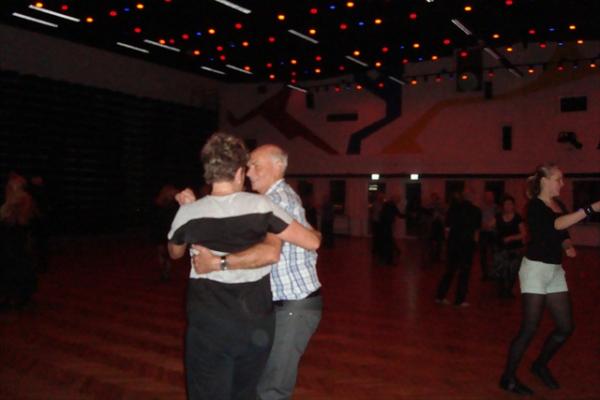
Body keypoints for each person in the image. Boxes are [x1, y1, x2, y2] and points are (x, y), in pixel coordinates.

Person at [167, 133, 321, 400]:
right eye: (246, 168)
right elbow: (311, 241)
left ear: (208, 173)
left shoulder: (191, 212)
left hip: (215, 325)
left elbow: (175, 253)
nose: (248, 173)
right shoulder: (262, 205)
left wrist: (191, 217)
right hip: (255, 323)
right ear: (238, 172)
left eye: (254, 166)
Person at [499, 163, 600, 395]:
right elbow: (554, 224)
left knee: (565, 327)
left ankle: (540, 364)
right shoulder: (534, 206)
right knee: (529, 328)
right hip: (535, 270)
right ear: (544, 181)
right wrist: (591, 208)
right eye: (558, 179)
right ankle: (508, 378)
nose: (562, 184)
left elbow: (561, 232)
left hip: (554, 270)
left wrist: (567, 245)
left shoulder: (558, 204)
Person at [435, 190, 482, 307]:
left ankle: (440, 296)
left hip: (453, 244)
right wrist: (475, 245)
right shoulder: (476, 211)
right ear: (472, 198)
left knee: (449, 271)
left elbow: (447, 229)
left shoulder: (453, 209)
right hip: (467, 244)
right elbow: (476, 231)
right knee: (464, 272)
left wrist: (447, 243)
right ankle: (459, 300)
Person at [0, 172, 38, 310]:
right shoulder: (15, 199)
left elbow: (16, 219)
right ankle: (12, 295)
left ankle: (16, 295)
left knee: (17, 264)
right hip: (13, 238)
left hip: (17, 238)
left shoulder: (23, 199)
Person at [491, 195, 526, 298]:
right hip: (500, 248)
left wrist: (511, 238)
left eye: (510, 204)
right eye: (506, 204)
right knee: (500, 270)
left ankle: (508, 290)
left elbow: (523, 233)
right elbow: (489, 226)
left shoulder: (518, 218)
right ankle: (502, 290)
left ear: (513, 205)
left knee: (512, 271)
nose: (508, 206)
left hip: (515, 249)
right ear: (503, 206)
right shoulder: (498, 217)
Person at [151, 184, 179, 282]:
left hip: (167, 230)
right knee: (162, 252)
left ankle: (166, 272)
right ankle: (164, 271)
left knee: (166, 253)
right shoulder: (159, 204)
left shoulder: (173, 204)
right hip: (161, 229)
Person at [479, 190, 497, 280]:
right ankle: (485, 273)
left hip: (493, 233)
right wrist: (483, 225)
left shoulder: (496, 208)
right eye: (487, 196)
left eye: (490, 196)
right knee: (483, 254)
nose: (489, 198)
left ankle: (494, 272)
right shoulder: (481, 208)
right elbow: (478, 220)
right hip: (483, 233)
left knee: (494, 253)